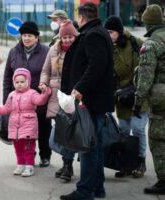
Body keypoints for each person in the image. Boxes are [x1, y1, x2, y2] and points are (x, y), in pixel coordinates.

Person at [60, 3, 114, 200]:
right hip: (95, 100)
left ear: (81, 17)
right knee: (94, 145)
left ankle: (85, 191)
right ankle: (96, 187)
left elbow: (96, 65)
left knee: (88, 147)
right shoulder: (97, 32)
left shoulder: (93, 35)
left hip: (91, 101)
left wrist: (80, 88)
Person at [104, 15, 149, 178]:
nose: (108, 35)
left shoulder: (135, 43)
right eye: (106, 32)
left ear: (119, 31)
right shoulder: (107, 47)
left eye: (111, 32)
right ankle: (126, 163)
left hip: (139, 93)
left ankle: (140, 161)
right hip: (121, 96)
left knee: (138, 128)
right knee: (123, 130)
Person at [4, 21, 52, 167]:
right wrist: (6, 99)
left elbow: (49, 73)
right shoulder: (14, 52)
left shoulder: (45, 51)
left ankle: (45, 154)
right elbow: (7, 77)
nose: (26, 38)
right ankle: (29, 156)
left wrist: (46, 91)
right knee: (25, 132)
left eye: (30, 35)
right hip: (20, 102)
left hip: (39, 99)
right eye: (24, 35)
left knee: (44, 128)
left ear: (37, 37)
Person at [0, 68, 51, 177]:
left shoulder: (32, 93)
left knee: (28, 147)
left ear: (28, 81)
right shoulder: (12, 95)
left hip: (28, 125)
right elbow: (6, 109)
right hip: (15, 126)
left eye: (22, 82)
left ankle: (29, 166)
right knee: (17, 147)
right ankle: (20, 164)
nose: (19, 84)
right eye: (17, 82)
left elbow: (40, 101)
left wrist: (45, 92)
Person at [39, 20, 77, 182]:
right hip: (55, 95)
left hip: (72, 97)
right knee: (60, 133)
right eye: (64, 37)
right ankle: (65, 163)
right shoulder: (53, 50)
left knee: (67, 132)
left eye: (70, 37)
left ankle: (68, 165)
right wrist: (43, 82)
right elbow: (46, 70)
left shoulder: (79, 49)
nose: (67, 40)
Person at [134, 4, 165, 195]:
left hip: (161, 99)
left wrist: (138, 101)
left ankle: (163, 180)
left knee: (158, 139)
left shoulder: (152, 44)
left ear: (147, 24)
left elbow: (145, 78)